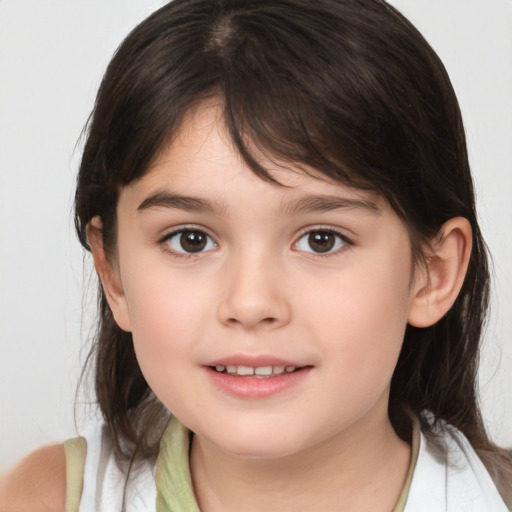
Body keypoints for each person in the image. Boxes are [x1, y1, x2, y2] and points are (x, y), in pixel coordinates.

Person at [1, 0, 511, 510]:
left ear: (433, 274)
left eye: (321, 239)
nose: (250, 303)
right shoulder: (43, 499)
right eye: (191, 239)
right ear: (113, 275)